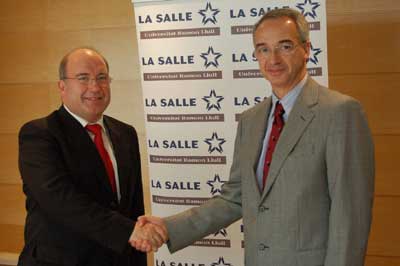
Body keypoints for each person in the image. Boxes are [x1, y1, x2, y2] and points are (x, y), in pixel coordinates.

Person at [132, 7, 375, 266]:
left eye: (285, 46)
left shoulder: (340, 112)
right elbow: (234, 197)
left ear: (306, 49)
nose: (273, 59)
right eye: (263, 49)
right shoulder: (250, 120)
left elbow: (350, 217)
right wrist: (169, 227)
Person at [17, 47, 165, 266]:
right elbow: (59, 199)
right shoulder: (40, 134)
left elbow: (132, 208)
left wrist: (137, 246)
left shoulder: (125, 133)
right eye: (83, 78)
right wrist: (128, 231)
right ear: (62, 86)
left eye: (102, 77)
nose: (95, 87)